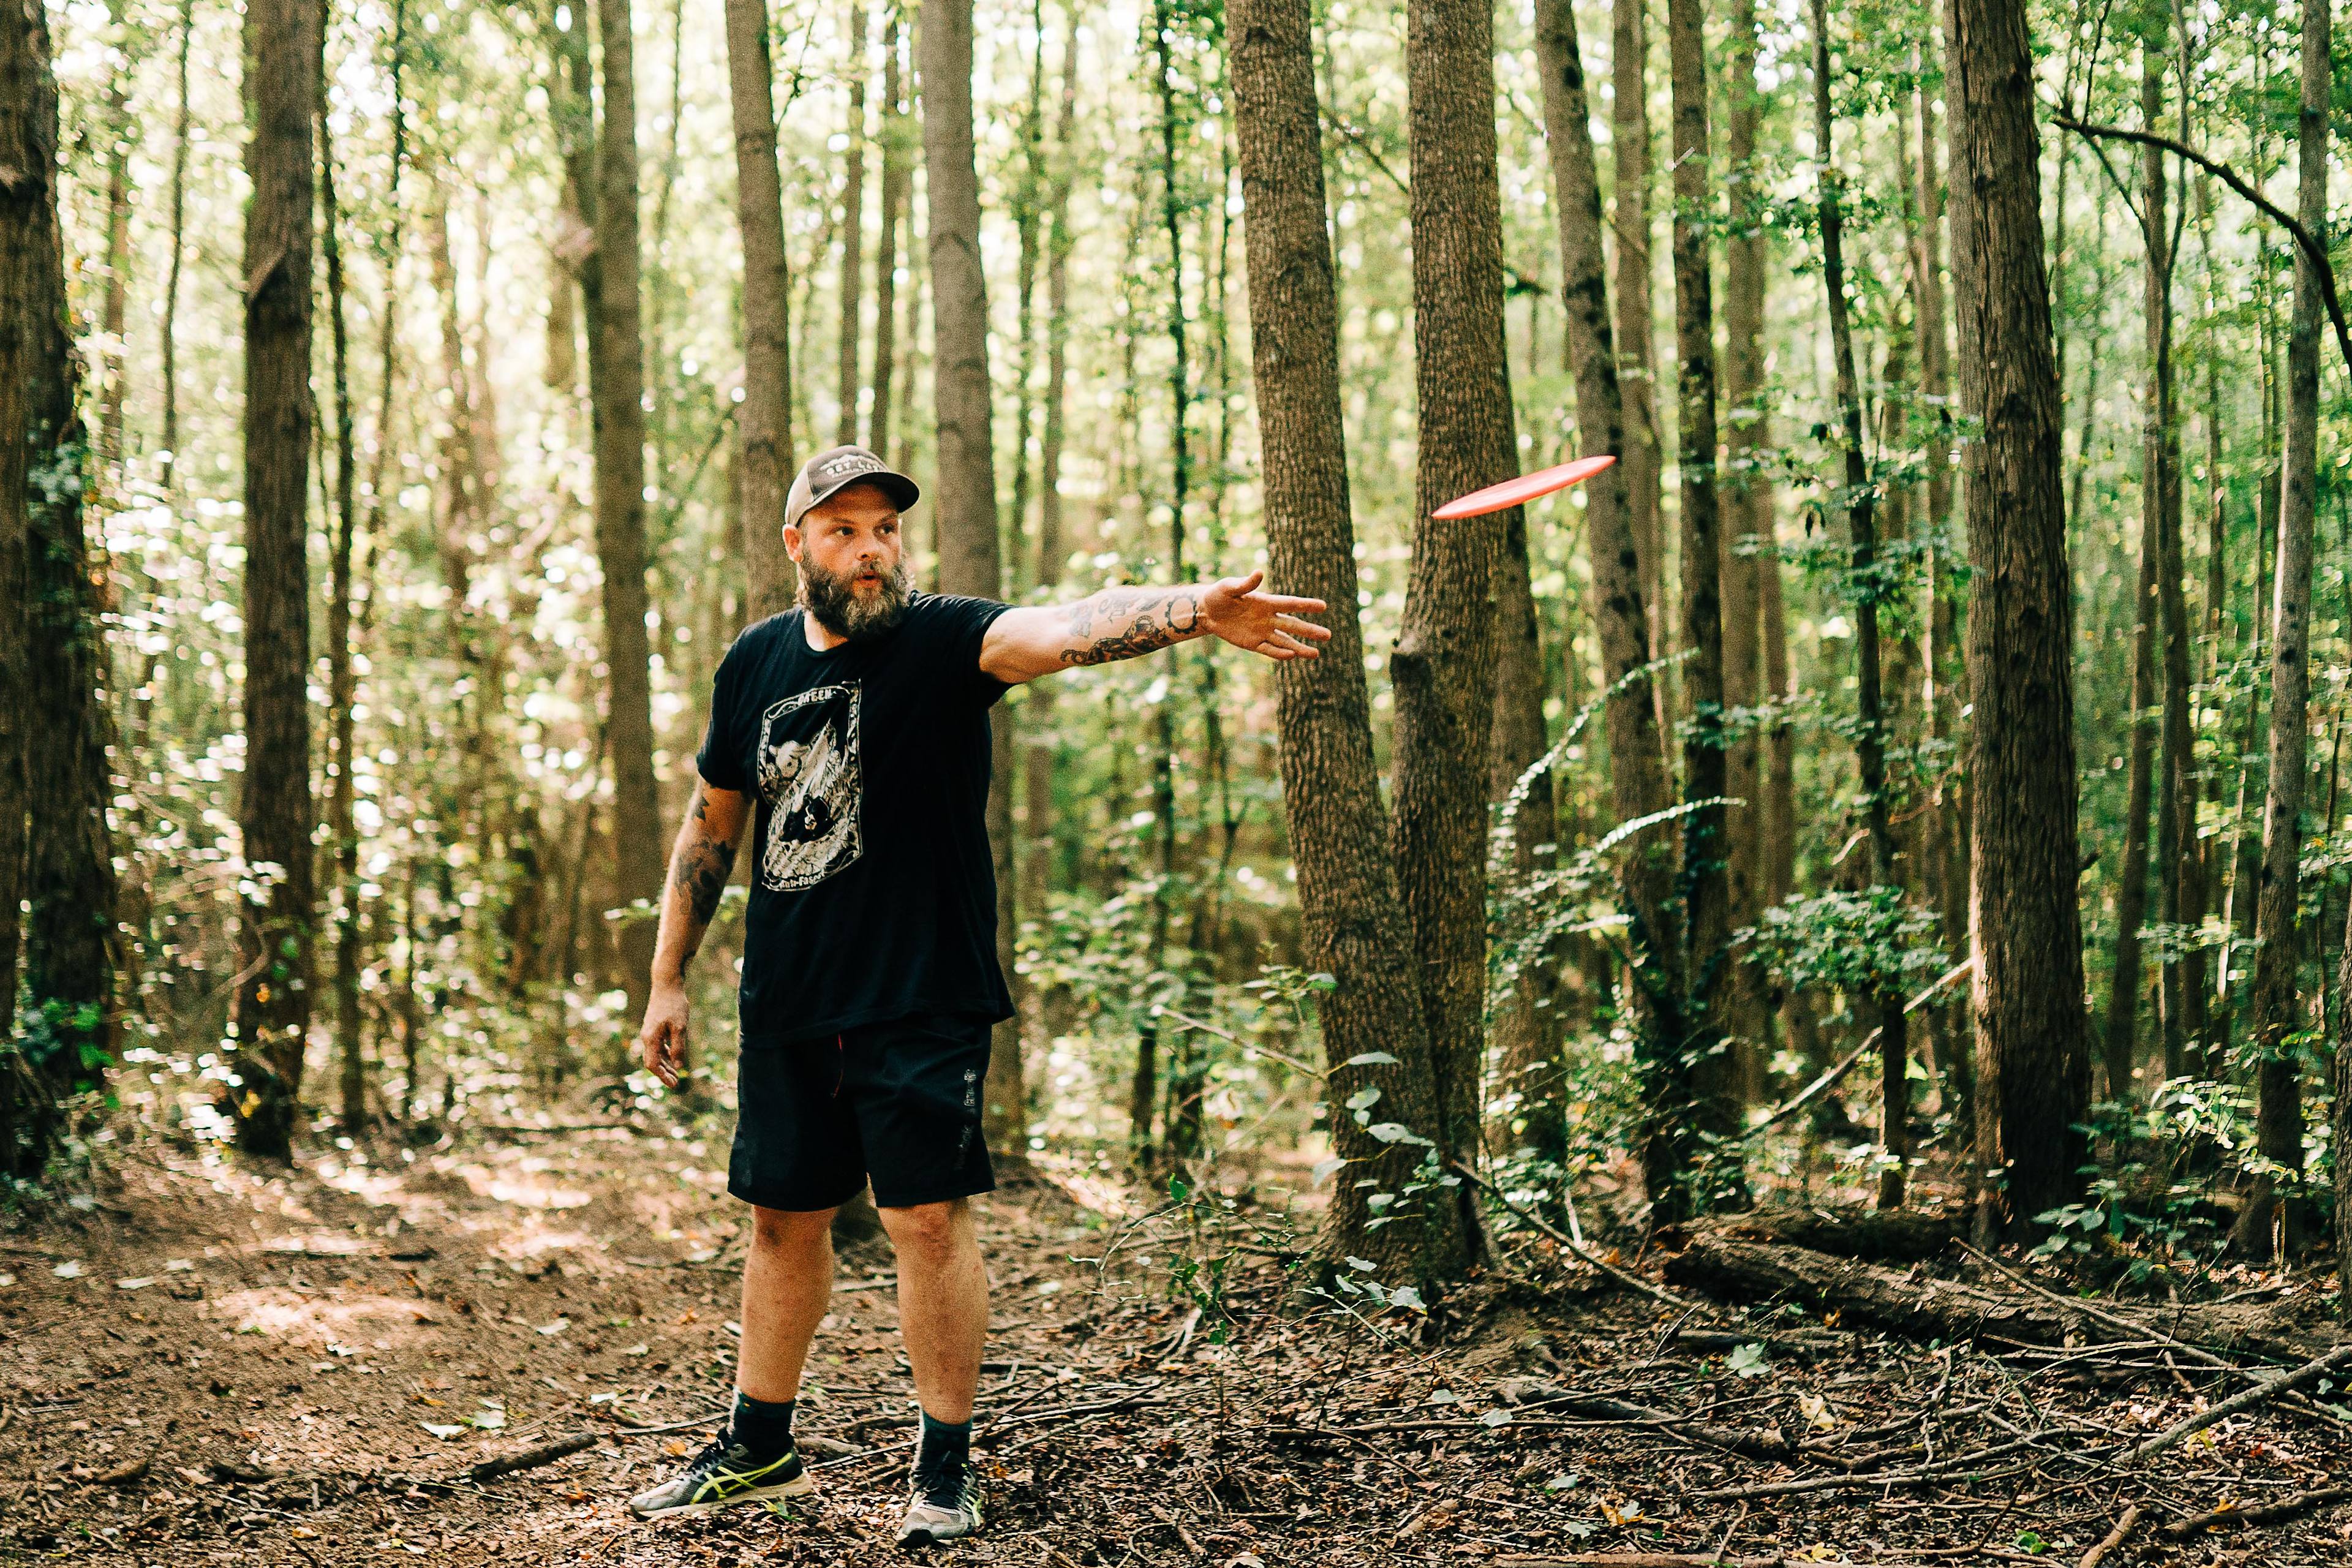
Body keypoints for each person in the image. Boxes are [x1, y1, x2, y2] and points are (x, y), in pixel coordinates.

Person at [622, 445, 1329, 1541]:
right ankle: (759, 1452)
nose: (871, 549)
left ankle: (944, 1468)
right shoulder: (753, 662)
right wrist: (668, 977)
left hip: (922, 991)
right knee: (781, 1222)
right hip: (792, 995)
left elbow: (1070, 626)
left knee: (924, 1221)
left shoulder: (948, 639)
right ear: (798, 544)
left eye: (885, 529)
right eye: (845, 530)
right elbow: (713, 822)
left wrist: (1195, 610)